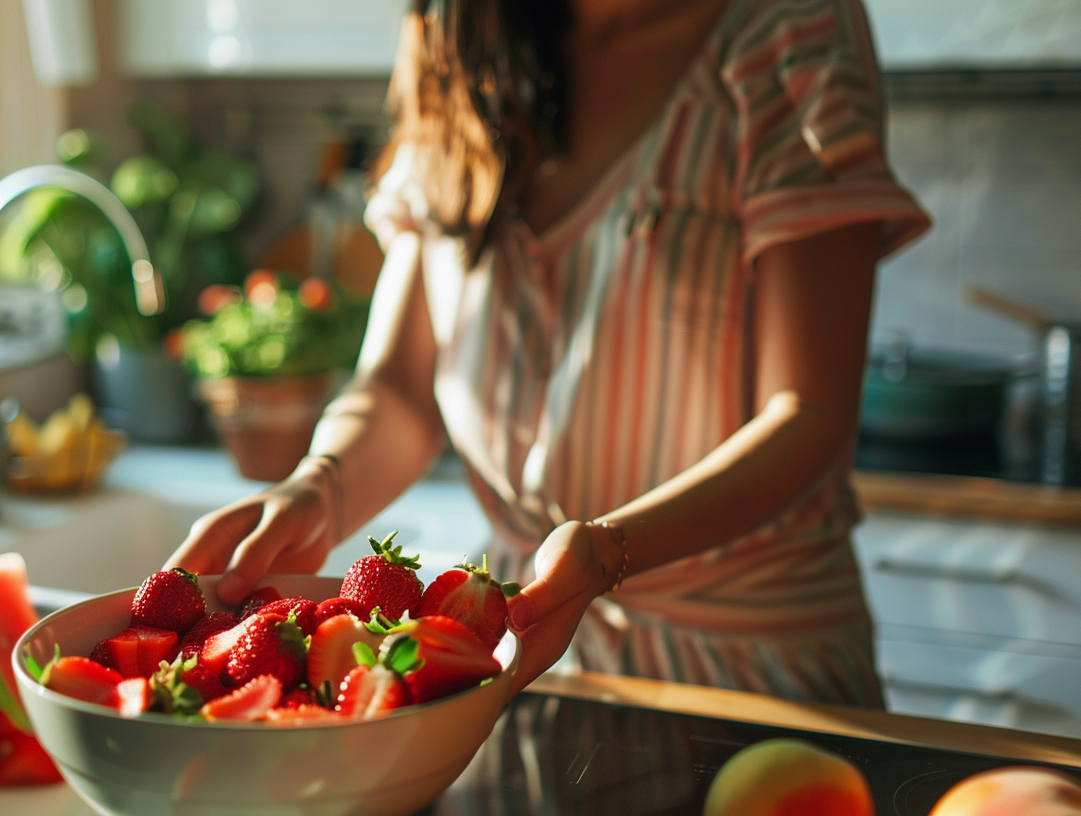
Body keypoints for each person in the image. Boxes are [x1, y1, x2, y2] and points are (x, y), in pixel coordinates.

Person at [167, 0, 929, 707]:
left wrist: (610, 552)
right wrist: (321, 487)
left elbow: (809, 411)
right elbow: (398, 387)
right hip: (521, 662)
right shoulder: (461, 39)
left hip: (750, 673)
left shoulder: (787, 30)